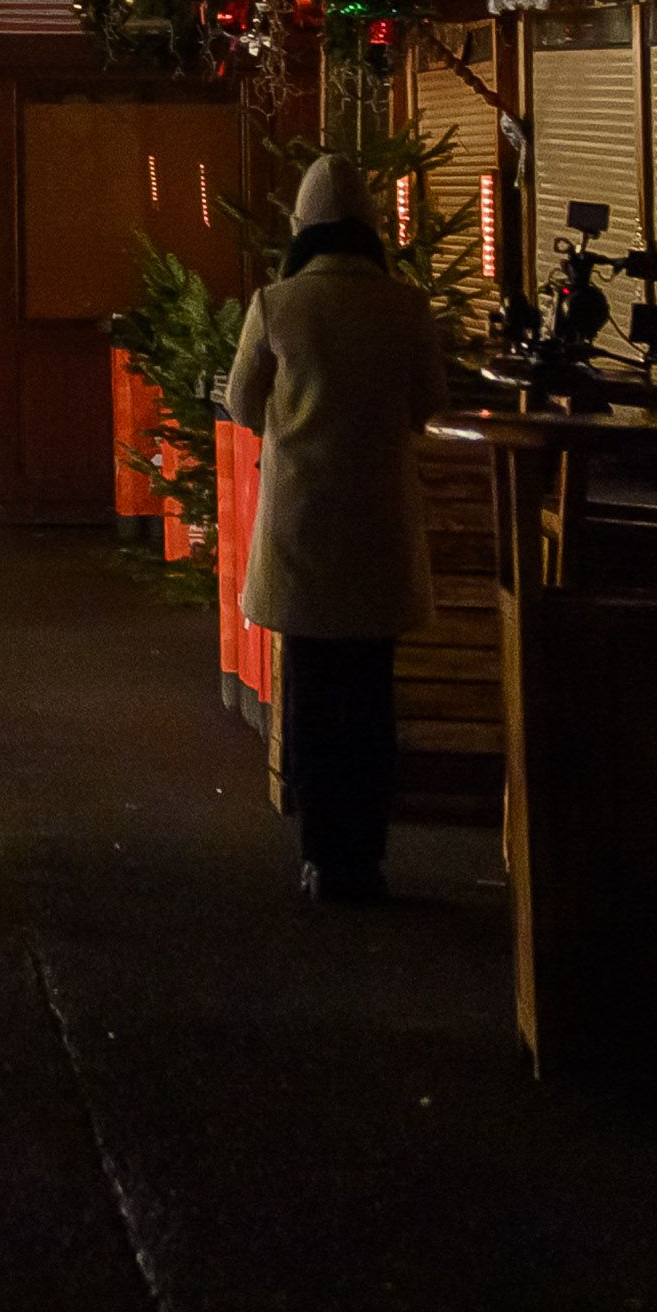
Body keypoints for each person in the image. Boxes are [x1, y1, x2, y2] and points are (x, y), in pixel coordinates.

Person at [222, 152, 446, 900]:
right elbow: (427, 404)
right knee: (371, 696)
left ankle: (320, 857)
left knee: (313, 694)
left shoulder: (276, 305)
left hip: (303, 530)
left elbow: (242, 404)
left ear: (303, 230)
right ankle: (367, 856)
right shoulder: (405, 306)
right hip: (380, 530)